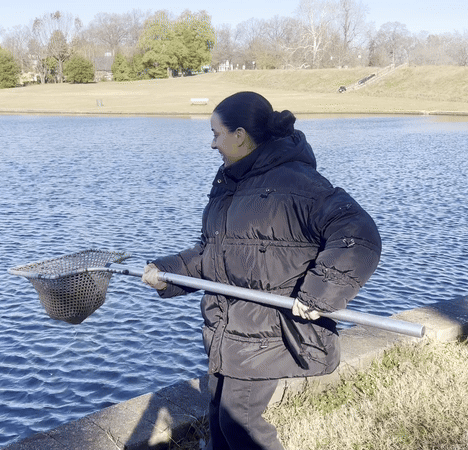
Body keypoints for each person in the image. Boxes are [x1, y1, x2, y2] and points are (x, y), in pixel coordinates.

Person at [142, 91, 382, 450]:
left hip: (267, 329)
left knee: (240, 421)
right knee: (219, 419)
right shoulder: (230, 183)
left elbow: (358, 235)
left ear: (239, 135)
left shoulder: (300, 183)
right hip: (228, 326)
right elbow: (214, 253)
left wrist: (321, 292)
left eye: (216, 134)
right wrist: (167, 271)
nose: (212, 144)